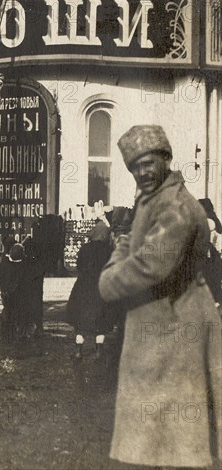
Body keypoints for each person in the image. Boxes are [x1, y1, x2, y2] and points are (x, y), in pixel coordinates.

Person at [99, 125, 222, 468]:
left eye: (149, 162)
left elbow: (151, 264)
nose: (142, 171)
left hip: (175, 325)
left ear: (166, 159)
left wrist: (108, 281)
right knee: (160, 435)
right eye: (135, 166)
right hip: (161, 323)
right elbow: (129, 241)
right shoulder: (152, 198)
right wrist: (121, 251)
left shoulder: (175, 207)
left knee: (177, 438)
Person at [66, 221, 113, 359]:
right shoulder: (109, 250)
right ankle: (99, 351)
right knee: (101, 320)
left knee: (80, 320)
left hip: (84, 287)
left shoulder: (85, 248)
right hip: (102, 287)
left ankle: (78, 351)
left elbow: (78, 265)